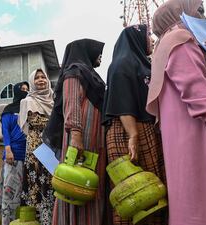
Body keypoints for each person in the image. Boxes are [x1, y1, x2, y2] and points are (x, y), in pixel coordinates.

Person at [146, 1, 206, 224]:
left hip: (180, 133)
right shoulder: (180, 39)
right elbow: (194, 87)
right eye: (198, 10)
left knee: (190, 192)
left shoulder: (164, 44)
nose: (202, 16)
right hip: (199, 128)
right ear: (181, 12)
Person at [102, 24, 167, 225]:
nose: (152, 39)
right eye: (148, 35)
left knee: (151, 191)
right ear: (136, 38)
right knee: (134, 192)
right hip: (128, 132)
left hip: (142, 130)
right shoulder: (122, 64)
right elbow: (123, 103)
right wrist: (133, 135)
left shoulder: (141, 62)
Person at [42, 39, 108, 225]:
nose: (100, 57)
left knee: (90, 184)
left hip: (94, 138)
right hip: (82, 138)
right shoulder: (74, 72)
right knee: (76, 184)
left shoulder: (90, 74)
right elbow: (72, 104)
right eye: (97, 53)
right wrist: (76, 136)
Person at [19, 69, 54, 225]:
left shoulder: (54, 99)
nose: (41, 80)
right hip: (37, 147)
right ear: (32, 81)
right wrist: (57, 123)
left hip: (53, 146)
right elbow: (35, 122)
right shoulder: (27, 101)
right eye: (37, 78)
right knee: (37, 180)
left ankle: (53, 217)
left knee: (52, 179)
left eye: (43, 77)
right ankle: (38, 218)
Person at [0, 81, 29, 225]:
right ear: (16, 91)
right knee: (11, 193)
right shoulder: (9, 110)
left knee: (24, 192)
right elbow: (6, 132)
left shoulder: (29, 108)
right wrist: (8, 150)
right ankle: (7, 222)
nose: (25, 92)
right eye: (22, 89)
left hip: (28, 154)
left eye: (27, 89)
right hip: (13, 154)